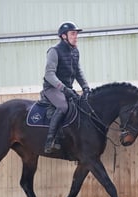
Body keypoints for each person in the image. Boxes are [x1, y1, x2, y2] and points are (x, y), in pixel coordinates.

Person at [42, 21, 90, 153]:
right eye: (73, 34)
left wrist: (86, 87)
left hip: (67, 88)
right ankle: (50, 140)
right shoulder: (54, 51)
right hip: (52, 88)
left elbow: (78, 72)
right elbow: (49, 74)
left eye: (76, 34)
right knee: (63, 106)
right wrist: (63, 88)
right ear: (64, 36)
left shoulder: (75, 52)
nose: (76, 36)